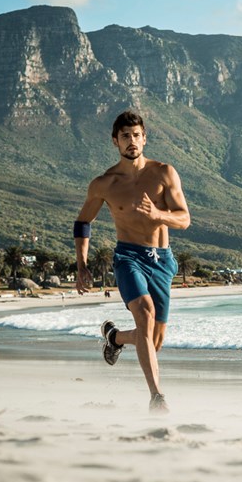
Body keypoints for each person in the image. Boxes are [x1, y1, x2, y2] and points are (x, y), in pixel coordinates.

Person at [74, 110, 190, 414]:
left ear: (144, 138)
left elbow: (184, 219)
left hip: (161, 260)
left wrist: (158, 215)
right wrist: (82, 263)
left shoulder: (165, 173)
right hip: (128, 257)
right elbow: (83, 222)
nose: (131, 141)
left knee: (153, 340)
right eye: (125, 136)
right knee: (144, 312)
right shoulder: (104, 183)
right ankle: (157, 397)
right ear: (115, 141)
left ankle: (115, 337)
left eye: (136, 135)